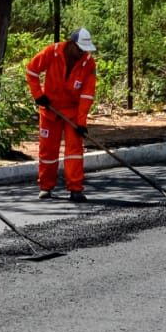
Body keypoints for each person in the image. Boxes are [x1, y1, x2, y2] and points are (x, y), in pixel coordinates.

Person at [26, 27, 99, 201]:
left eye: (85, 50)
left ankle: (75, 189)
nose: (82, 53)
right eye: (80, 49)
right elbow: (31, 70)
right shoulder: (53, 52)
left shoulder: (88, 63)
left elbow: (87, 95)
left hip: (72, 112)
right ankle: (46, 187)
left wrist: (81, 122)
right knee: (48, 151)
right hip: (50, 109)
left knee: (74, 151)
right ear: (71, 44)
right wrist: (39, 95)